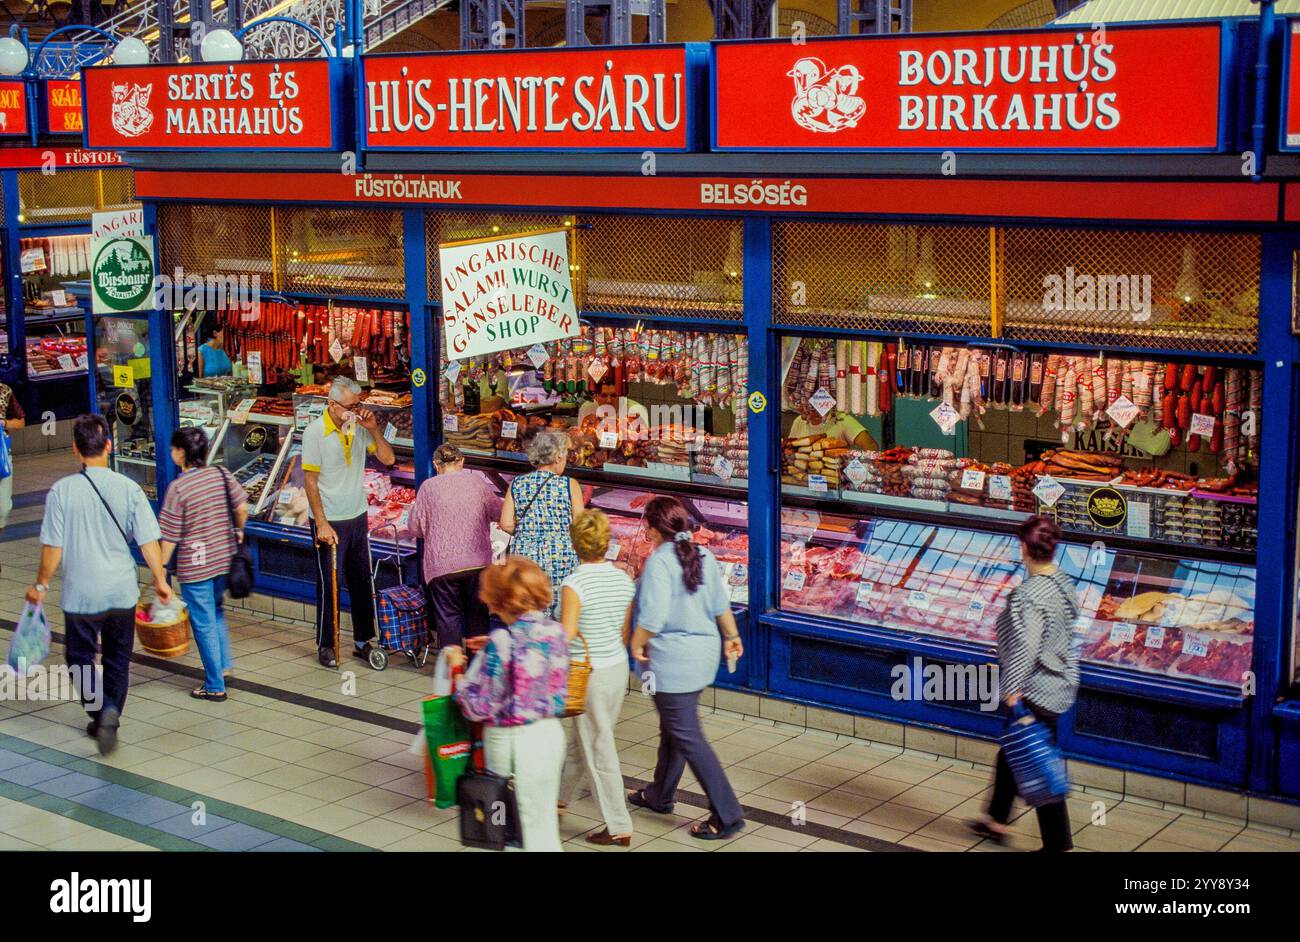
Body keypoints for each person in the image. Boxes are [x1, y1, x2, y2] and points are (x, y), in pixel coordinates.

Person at [26, 414, 172, 755]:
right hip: (122, 592)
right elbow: (149, 540)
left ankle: (98, 710)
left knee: (79, 657)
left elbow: (53, 547)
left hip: (81, 595)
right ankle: (111, 713)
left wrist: (41, 585)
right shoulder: (129, 488)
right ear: (108, 445)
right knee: (118, 657)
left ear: (76, 450)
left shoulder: (62, 491)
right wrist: (162, 581)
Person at [626, 495, 745, 840]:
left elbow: (653, 616)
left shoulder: (660, 563)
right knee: (675, 727)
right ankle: (659, 794)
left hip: (673, 660)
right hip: (702, 654)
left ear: (651, 530)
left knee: (687, 735)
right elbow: (720, 603)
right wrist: (732, 636)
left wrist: (636, 642)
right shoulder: (703, 554)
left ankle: (727, 814)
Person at [969, 515, 1079, 853]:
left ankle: (1057, 845)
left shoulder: (1029, 595)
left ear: (1023, 549)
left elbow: (1027, 647)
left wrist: (1012, 688)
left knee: (1036, 756)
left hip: (1038, 686)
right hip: (1062, 680)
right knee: (1014, 750)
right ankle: (996, 820)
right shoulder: (1063, 583)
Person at [449, 556, 570, 852]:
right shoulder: (556, 633)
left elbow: (479, 706)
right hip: (550, 735)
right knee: (541, 823)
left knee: (509, 827)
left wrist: (459, 675)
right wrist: (491, 648)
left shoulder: (502, 640)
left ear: (502, 599)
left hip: (512, 742)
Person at [301, 376, 396, 667]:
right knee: (330, 584)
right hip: (329, 519)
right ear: (332, 405)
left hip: (357, 515)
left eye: (358, 404)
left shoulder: (356, 426)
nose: (356, 410)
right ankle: (326, 644)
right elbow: (310, 481)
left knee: (361, 581)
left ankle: (363, 640)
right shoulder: (314, 432)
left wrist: (374, 430)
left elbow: (388, 459)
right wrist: (322, 523)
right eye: (351, 405)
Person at [557, 509, 636, 847]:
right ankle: (558, 800)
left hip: (586, 674)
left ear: (575, 544)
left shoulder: (574, 584)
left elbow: (567, 634)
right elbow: (623, 632)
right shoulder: (624, 579)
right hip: (617, 668)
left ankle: (619, 826)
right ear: (607, 543)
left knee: (599, 748)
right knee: (583, 740)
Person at [158, 426, 249, 703]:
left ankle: (214, 684)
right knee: (217, 612)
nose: (172, 452)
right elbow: (242, 506)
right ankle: (223, 664)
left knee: (203, 622)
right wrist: (239, 531)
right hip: (225, 558)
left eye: (174, 448)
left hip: (196, 566)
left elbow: (170, 535)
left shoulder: (178, 487)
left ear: (181, 453)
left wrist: (160, 570)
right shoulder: (221, 474)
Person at [406, 443, 502, 653]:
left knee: (448, 618)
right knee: (478, 617)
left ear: (436, 464)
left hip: (442, 567)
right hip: (477, 563)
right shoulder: (477, 483)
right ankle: (477, 667)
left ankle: (453, 669)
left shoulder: (428, 488)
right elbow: (499, 513)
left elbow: (415, 528)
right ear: (462, 462)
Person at [499, 429, 583, 617]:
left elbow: (505, 523)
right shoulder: (569, 485)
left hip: (525, 559)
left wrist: (527, 532)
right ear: (558, 457)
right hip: (562, 557)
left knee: (528, 613)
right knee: (560, 615)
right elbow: (581, 525)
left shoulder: (517, 483)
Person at [788, 401, 878, 451]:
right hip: (802, 479)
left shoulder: (841, 419)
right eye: (811, 406)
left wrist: (861, 469)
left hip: (835, 479)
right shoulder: (799, 421)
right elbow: (790, 448)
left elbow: (870, 445)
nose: (815, 410)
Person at [0, 380, 25, 540]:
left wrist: (4, 423)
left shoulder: (4, 390)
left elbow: (21, 421)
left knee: (3, 508)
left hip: (2, 457)